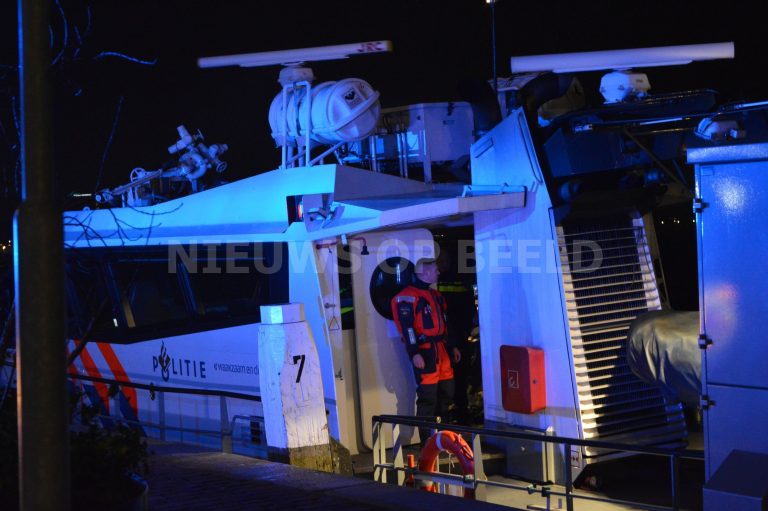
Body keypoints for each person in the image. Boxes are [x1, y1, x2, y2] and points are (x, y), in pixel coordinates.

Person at [391, 258, 461, 445]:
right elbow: (408, 330)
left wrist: (452, 345)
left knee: (447, 395)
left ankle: (445, 440)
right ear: (423, 272)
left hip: (441, 352)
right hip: (426, 353)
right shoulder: (406, 297)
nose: (438, 273)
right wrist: (414, 353)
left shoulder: (436, 296)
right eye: (435, 270)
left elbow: (445, 323)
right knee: (427, 399)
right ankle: (428, 444)